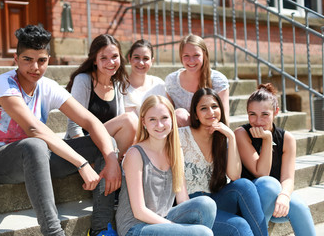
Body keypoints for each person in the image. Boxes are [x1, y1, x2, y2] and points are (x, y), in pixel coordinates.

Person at [0, 25, 121, 236]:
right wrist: (81, 163)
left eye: (41, 60)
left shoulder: (47, 86)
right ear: (16, 59)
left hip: (40, 158)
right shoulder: (4, 84)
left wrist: (112, 161)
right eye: (27, 59)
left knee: (106, 142)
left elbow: (92, 122)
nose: (35, 67)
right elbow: (34, 129)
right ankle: (54, 233)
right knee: (35, 144)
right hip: (0, 161)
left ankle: (101, 228)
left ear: (49, 59)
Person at [116, 95, 216, 236]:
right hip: (136, 227)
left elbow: (182, 199)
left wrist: (179, 230)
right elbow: (139, 211)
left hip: (163, 218)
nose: (160, 125)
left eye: (164, 118)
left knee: (206, 204)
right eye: (152, 119)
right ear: (143, 122)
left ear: (172, 119)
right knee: (203, 233)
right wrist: (176, 228)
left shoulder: (176, 151)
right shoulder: (135, 154)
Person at [179, 88, 268, 236]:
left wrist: (231, 137)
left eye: (214, 106)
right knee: (238, 225)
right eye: (203, 108)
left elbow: (234, 176)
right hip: (192, 206)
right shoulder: (181, 136)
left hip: (215, 199)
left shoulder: (223, 138)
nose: (211, 112)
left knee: (245, 184)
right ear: (195, 114)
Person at [234, 83, 316, 236]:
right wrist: (267, 139)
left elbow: (288, 178)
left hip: (275, 204)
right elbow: (261, 172)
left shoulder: (287, 139)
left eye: (265, 114)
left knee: (299, 206)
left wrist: (284, 196)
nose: (258, 121)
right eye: (252, 114)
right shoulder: (241, 134)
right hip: (246, 204)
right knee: (269, 183)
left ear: (276, 112)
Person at [66, 34, 137, 160]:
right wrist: (84, 159)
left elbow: (120, 124)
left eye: (115, 56)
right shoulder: (83, 80)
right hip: (81, 144)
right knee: (129, 119)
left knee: (130, 122)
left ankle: (109, 166)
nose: (111, 62)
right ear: (94, 60)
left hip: (106, 145)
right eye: (104, 58)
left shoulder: (118, 83)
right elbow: (73, 126)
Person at [165, 34, 230, 127]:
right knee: (180, 114)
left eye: (196, 55)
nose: (191, 60)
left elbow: (224, 119)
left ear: (204, 55)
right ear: (180, 57)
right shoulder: (172, 81)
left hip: (210, 130)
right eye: (186, 56)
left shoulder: (218, 80)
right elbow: (168, 117)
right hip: (184, 133)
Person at [125, 39, 166, 115]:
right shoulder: (121, 86)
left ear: (152, 61)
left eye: (145, 58)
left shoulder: (159, 84)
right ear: (129, 58)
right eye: (136, 57)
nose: (141, 63)